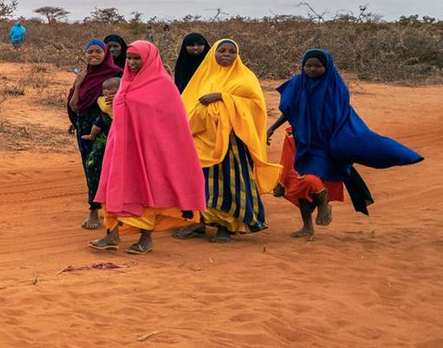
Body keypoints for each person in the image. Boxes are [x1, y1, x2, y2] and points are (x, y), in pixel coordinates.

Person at [270, 49, 422, 223]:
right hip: (302, 140)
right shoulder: (297, 83)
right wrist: (272, 128)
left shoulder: (335, 87)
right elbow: (289, 111)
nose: (311, 69)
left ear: (327, 66)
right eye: (308, 65)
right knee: (299, 182)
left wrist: (341, 140)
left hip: (325, 143)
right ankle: (308, 225)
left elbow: (341, 115)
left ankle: (322, 203)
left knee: (310, 178)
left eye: (317, 66)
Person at [90, 41, 206, 255]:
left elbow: (171, 123)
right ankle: (112, 234)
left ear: (149, 59)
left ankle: (146, 238)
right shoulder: (125, 82)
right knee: (114, 186)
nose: (132, 63)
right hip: (121, 146)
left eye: (137, 59)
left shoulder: (163, 86)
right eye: (129, 58)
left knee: (145, 190)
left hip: (148, 150)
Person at [177, 39, 281, 242]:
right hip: (202, 139)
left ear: (237, 55)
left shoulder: (245, 78)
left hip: (232, 142)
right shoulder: (203, 76)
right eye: (221, 51)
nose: (226, 54)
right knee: (199, 181)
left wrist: (222, 97)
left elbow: (255, 106)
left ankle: (225, 226)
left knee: (227, 183)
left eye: (231, 51)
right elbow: (187, 105)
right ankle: (198, 222)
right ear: (212, 54)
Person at [66, 39, 122, 229]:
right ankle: (96, 210)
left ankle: (107, 210)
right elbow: (75, 106)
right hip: (84, 127)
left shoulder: (117, 76)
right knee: (88, 166)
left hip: (107, 128)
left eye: (98, 52)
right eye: (90, 52)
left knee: (96, 164)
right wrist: (79, 85)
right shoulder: (84, 77)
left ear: (105, 54)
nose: (94, 55)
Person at [80, 76, 121, 210]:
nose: (107, 92)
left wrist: (123, 98)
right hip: (104, 129)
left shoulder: (125, 91)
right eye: (105, 90)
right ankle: (96, 205)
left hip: (123, 133)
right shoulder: (101, 98)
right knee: (92, 165)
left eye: (111, 90)